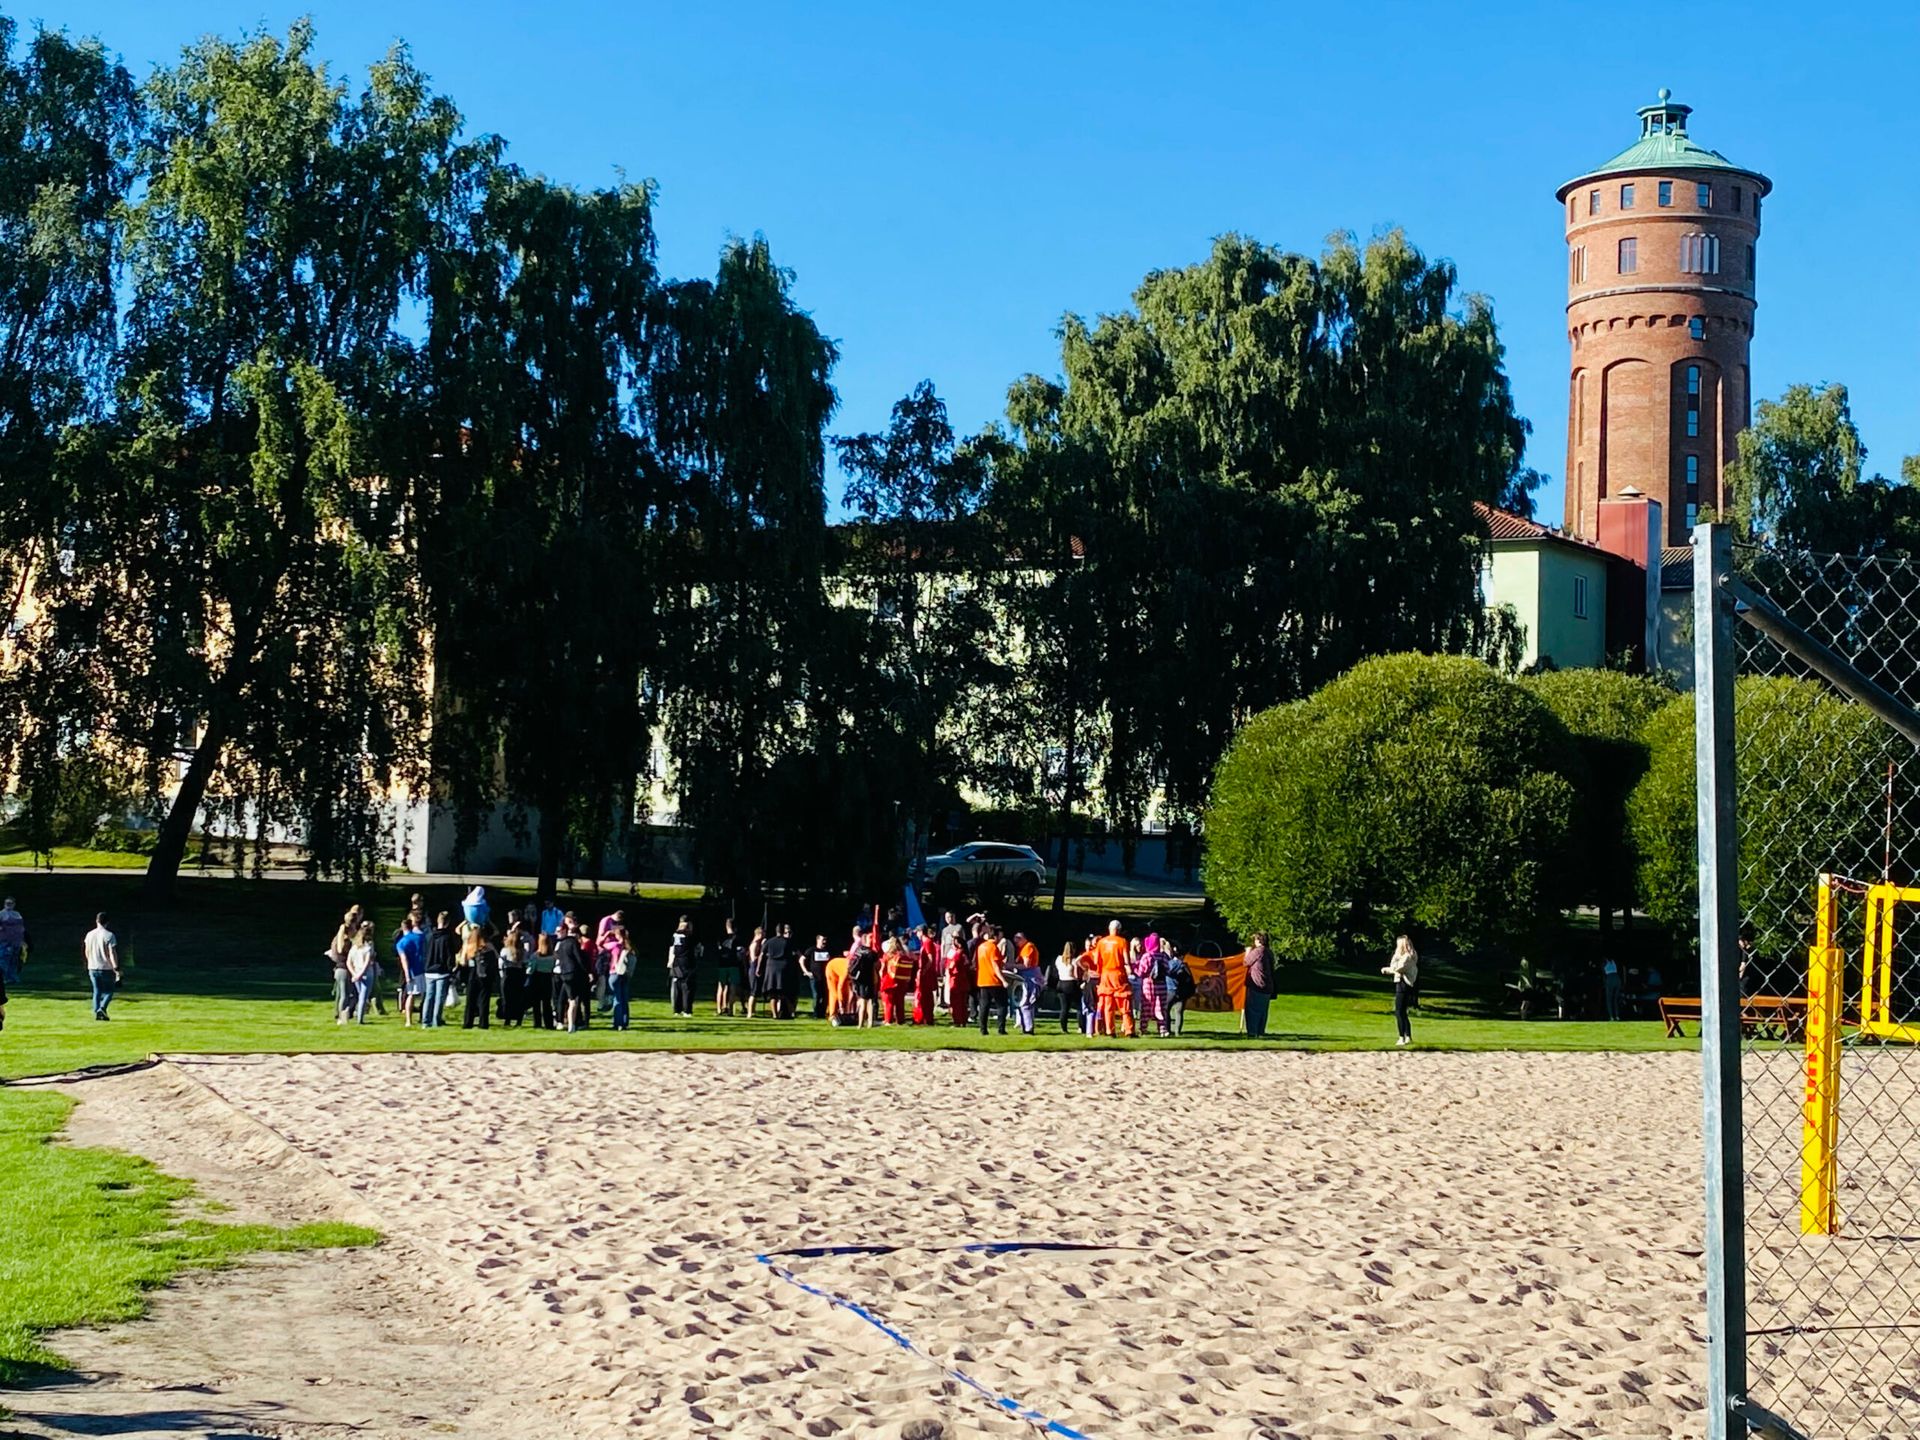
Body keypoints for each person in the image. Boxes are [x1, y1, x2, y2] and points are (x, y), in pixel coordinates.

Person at [1094, 921, 1133, 1038]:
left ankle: (1110, 1030)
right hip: (1118, 973)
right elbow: (1126, 960)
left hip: (1105, 974)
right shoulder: (1122, 942)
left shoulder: (1101, 942)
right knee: (1124, 1002)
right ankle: (1129, 1030)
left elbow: (1097, 961)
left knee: (1108, 1004)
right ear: (1119, 929)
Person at [421, 912, 457, 1028]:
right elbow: (450, 956)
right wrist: (451, 969)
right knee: (439, 998)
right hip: (442, 970)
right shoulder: (447, 937)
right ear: (447, 923)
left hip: (429, 969)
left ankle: (426, 1021)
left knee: (429, 997)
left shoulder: (430, 935)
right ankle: (436, 1020)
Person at [1383, 934, 1418, 1046]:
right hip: (1405, 984)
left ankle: (1401, 1037)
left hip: (1403, 984)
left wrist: (1387, 970)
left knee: (1398, 1011)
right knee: (1403, 1012)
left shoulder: (1407, 957)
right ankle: (1408, 1036)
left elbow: (1398, 968)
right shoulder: (1409, 956)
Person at [84, 912, 120, 1021]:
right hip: (106, 967)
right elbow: (112, 953)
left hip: (92, 966)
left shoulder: (89, 934)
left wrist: (89, 961)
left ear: (97, 921)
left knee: (97, 991)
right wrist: (116, 967)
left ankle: (97, 1012)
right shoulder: (109, 935)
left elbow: (87, 951)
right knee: (109, 991)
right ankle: (102, 1008)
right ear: (107, 922)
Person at [554, 923, 589, 1032]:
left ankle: (569, 1023)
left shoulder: (560, 944)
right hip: (573, 973)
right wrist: (587, 972)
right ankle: (571, 1024)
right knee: (574, 1001)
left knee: (569, 999)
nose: (557, 933)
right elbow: (579, 959)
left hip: (563, 974)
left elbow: (558, 957)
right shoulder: (572, 943)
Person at [975, 928, 1009, 1036]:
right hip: (994, 980)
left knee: (984, 1005)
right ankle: (1001, 1029)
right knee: (1002, 1005)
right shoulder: (994, 947)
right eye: (999, 936)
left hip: (982, 979)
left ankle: (983, 1029)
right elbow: (995, 966)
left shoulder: (981, 947)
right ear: (995, 936)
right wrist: (1003, 980)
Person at [462, 926, 497, 1030]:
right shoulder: (488, 945)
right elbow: (497, 957)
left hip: (473, 973)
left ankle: (468, 1022)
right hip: (485, 974)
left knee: (470, 999)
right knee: (484, 999)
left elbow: (463, 962)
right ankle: (483, 1023)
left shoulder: (469, 946)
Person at [394, 914, 426, 1027]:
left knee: (411, 995)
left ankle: (409, 1020)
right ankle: (424, 1017)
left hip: (412, 971)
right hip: (422, 968)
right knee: (424, 995)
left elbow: (404, 960)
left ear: (403, 928)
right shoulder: (420, 937)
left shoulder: (401, 943)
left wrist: (407, 975)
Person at [345, 922, 379, 1024]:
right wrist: (360, 974)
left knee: (361, 995)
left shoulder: (354, 948)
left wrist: (354, 974)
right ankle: (360, 1019)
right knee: (363, 997)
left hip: (356, 973)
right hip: (366, 974)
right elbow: (367, 963)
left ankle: (358, 1015)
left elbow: (349, 962)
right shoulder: (367, 947)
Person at [1011, 932, 1044, 1035]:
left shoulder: (1028, 947)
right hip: (1025, 978)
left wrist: (1010, 966)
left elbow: (1026, 965)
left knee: (1026, 1003)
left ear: (1023, 938)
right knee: (1023, 1003)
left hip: (1031, 978)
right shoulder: (1022, 949)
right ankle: (1025, 1026)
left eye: (1018, 940)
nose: (1016, 942)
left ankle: (1028, 1028)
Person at [880, 932, 916, 1025]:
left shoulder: (888, 956)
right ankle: (900, 1020)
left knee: (889, 1002)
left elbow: (883, 969)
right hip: (902, 981)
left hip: (889, 981)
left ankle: (888, 1020)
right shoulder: (904, 955)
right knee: (900, 1002)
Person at [499, 921, 530, 1026]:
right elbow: (526, 962)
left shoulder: (505, 950)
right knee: (518, 998)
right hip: (519, 974)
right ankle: (519, 1019)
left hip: (508, 974)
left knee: (507, 998)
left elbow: (501, 964)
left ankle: (507, 1019)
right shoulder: (523, 951)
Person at [848, 925, 879, 1028]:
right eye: (871, 938)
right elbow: (877, 966)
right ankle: (867, 1023)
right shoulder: (871, 953)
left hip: (858, 979)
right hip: (867, 979)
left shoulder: (858, 950)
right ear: (865, 940)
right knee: (868, 1001)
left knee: (863, 1000)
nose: (872, 940)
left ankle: (861, 1023)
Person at [1243, 932, 1273, 1039]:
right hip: (1267, 986)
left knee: (1252, 1010)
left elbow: (1246, 962)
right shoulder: (1269, 952)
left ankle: (1252, 1032)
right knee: (1262, 1011)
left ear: (1259, 940)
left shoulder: (1258, 951)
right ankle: (1260, 1032)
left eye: (1255, 939)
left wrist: (1247, 952)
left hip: (1256, 984)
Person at [527, 929, 557, 1029]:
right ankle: (548, 1023)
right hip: (548, 978)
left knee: (536, 1003)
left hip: (537, 978)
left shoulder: (535, 956)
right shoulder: (553, 956)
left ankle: (537, 1023)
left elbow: (531, 969)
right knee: (546, 1002)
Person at [713, 919, 744, 1017]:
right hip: (733, 965)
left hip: (722, 964)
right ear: (735, 927)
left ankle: (719, 1008)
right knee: (733, 987)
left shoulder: (721, 938)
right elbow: (741, 953)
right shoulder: (737, 938)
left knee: (721, 987)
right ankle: (730, 1009)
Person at [667, 917, 696, 1017]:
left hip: (676, 963)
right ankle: (687, 1010)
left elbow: (672, 948)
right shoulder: (690, 936)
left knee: (677, 986)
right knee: (687, 987)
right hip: (687, 963)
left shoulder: (675, 935)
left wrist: (669, 962)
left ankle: (677, 1009)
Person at [607, 924, 633, 1031]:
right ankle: (624, 1021)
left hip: (615, 973)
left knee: (617, 999)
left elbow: (602, 945)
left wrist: (605, 936)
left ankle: (617, 1023)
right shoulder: (628, 947)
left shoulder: (617, 946)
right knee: (623, 999)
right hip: (625, 974)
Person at [765, 924, 793, 1019]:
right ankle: (791, 1012)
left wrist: (758, 968)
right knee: (784, 993)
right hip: (783, 968)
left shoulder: (769, 941)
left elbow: (762, 954)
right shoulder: (787, 942)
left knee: (773, 993)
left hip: (771, 968)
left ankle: (774, 1014)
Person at [913, 925, 940, 1025]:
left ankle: (926, 1017)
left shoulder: (927, 942)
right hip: (925, 973)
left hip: (926, 974)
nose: (916, 934)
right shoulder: (924, 943)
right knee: (924, 996)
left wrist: (923, 970)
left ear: (921, 932)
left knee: (925, 996)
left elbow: (930, 958)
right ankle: (924, 1016)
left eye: (917, 932)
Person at [802, 933, 831, 1020]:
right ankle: (816, 1014)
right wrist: (806, 972)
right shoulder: (811, 950)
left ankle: (822, 1013)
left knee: (825, 996)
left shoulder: (828, 951)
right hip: (814, 977)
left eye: (825, 940)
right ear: (818, 940)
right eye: (823, 940)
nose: (824, 942)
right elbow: (801, 960)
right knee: (816, 995)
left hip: (825, 977)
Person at [1054, 942, 1081, 1034]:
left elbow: (1057, 970)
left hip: (1061, 983)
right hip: (1071, 983)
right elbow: (1076, 975)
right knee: (1079, 1006)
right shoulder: (1074, 961)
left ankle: (1064, 1028)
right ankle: (1081, 1026)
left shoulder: (1058, 959)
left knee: (1064, 1008)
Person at [1165, 949, 1194, 1036]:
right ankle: (1178, 1031)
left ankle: (1167, 1030)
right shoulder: (1183, 966)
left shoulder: (1169, 963)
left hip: (1170, 990)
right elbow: (1189, 978)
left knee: (1166, 1009)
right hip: (1181, 991)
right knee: (1179, 1012)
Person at [0, 897, 28, 987]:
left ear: (14, 904)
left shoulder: (17, 914)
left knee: (15, 960)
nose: (9, 905)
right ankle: (5, 978)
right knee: (4, 960)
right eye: (7, 903)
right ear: (4, 904)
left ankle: (13, 978)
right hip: (5, 941)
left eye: (11, 903)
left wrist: (23, 940)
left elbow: (21, 927)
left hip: (17, 941)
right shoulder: (1, 914)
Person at [1602, 954, 1623, 1022]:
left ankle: (1611, 1016)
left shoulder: (1604, 962)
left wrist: (1605, 983)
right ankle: (1617, 1016)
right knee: (1615, 1000)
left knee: (1609, 999)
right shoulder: (1614, 961)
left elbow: (1603, 973)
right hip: (1617, 978)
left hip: (1610, 978)